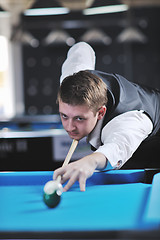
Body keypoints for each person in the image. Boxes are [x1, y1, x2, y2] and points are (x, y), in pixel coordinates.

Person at [53, 42, 160, 192]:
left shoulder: (128, 121)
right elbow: (82, 48)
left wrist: (89, 162)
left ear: (101, 112)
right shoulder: (71, 82)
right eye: (64, 116)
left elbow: (116, 148)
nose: (69, 127)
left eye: (79, 118)